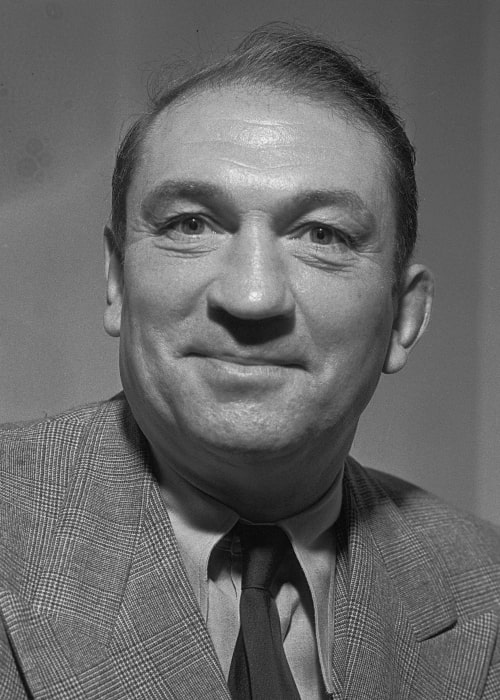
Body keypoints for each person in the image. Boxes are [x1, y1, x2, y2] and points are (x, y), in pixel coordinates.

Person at [1, 24, 499, 700]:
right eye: (190, 225)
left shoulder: (486, 588)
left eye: (322, 235)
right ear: (117, 281)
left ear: (404, 317)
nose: (252, 294)